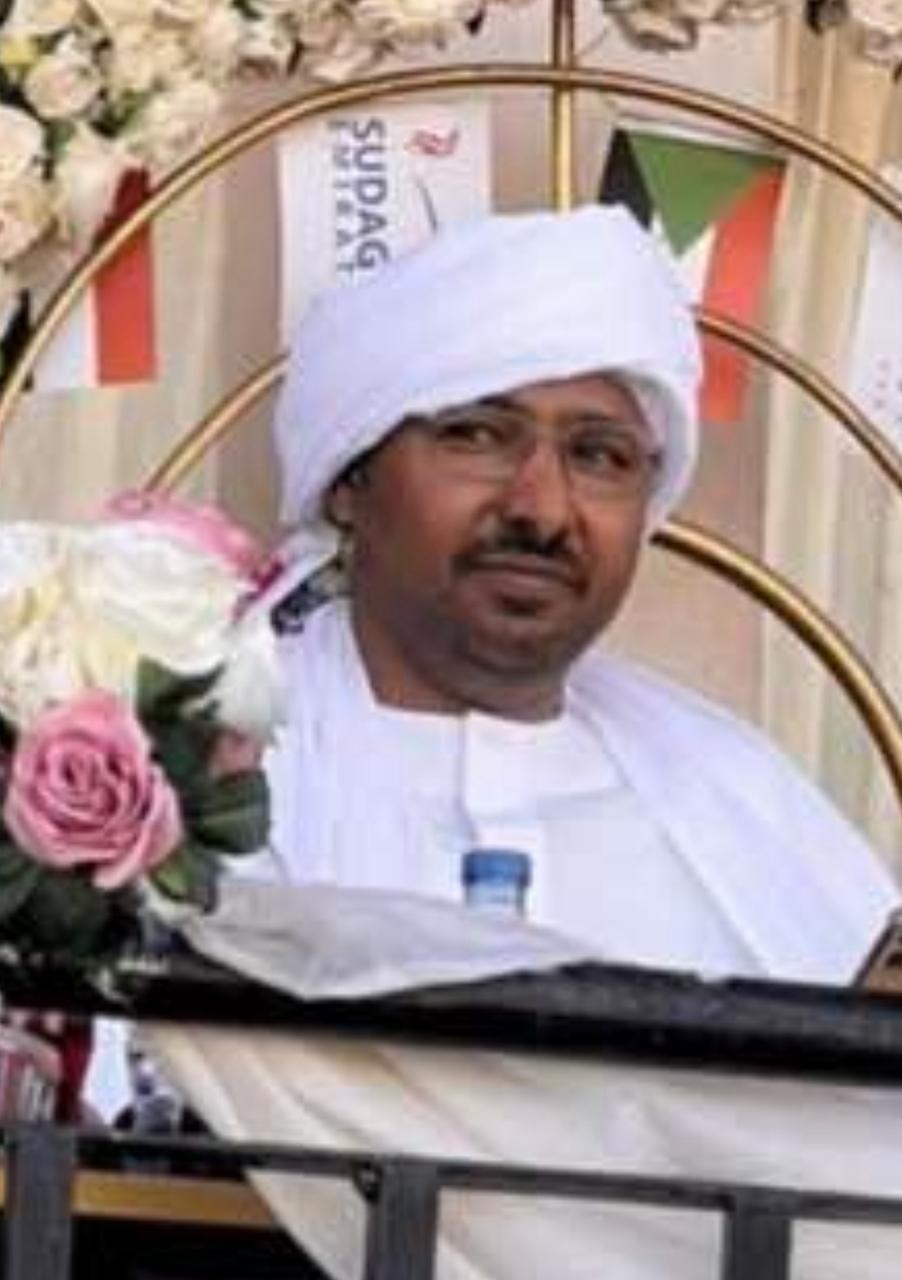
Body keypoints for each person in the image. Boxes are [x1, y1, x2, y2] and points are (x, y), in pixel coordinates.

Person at [260, 203, 897, 985]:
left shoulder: (748, 804)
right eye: (477, 435)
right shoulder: (187, 777)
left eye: (599, 456)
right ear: (348, 478)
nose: (543, 510)